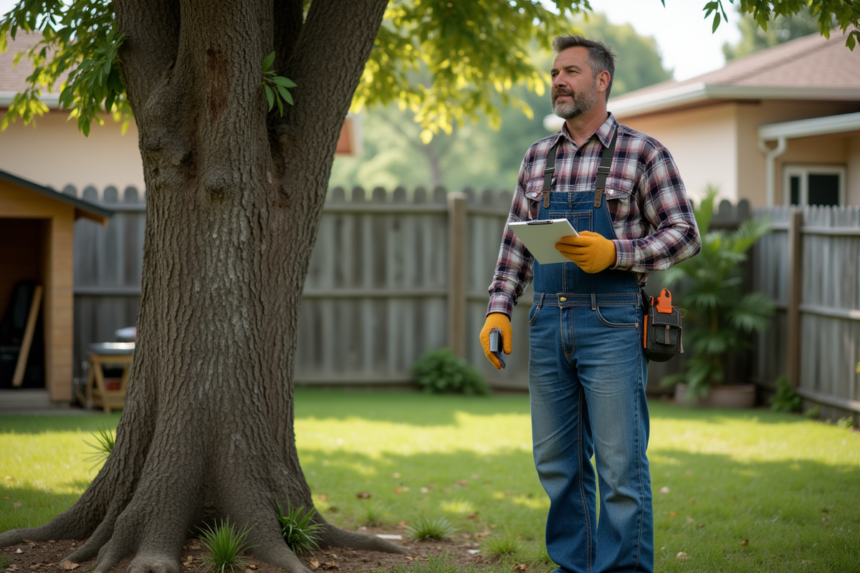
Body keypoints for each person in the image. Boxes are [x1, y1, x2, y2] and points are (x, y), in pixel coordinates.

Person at [480, 36, 701, 573]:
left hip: (615, 322)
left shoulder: (643, 153)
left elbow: (685, 235)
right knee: (558, 466)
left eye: (571, 71)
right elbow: (516, 242)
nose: (558, 80)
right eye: (555, 71)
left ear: (601, 81)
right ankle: (573, 567)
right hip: (547, 319)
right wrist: (499, 308)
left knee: (621, 466)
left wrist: (617, 252)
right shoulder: (537, 157)